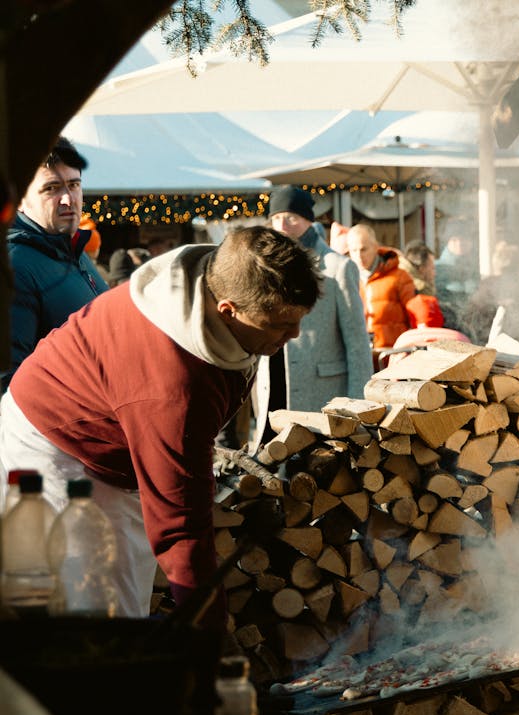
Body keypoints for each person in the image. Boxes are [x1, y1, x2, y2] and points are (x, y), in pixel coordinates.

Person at [0, 226, 319, 622]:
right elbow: (181, 528)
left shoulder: (216, 284)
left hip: (115, 425)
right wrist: (209, 641)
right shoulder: (170, 386)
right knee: (97, 605)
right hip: (53, 445)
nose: (296, 334)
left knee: (127, 589)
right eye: (281, 325)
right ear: (228, 310)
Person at [249, 186, 373, 449]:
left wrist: (356, 407)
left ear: (308, 220)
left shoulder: (338, 267)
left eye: (291, 217)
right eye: (276, 217)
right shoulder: (263, 268)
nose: (282, 224)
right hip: (273, 389)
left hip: (321, 395)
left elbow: (357, 343)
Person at [5, 137, 109, 390]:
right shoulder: (14, 263)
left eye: (74, 185)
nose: (68, 199)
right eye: (52, 188)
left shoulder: (73, 250)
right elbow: (8, 385)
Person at [346, 223, 438, 358]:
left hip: (393, 357)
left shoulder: (399, 277)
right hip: (359, 357)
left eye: (363, 249)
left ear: (375, 247)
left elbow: (419, 313)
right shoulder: (346, 280)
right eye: (354, 251)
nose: (359, 255)